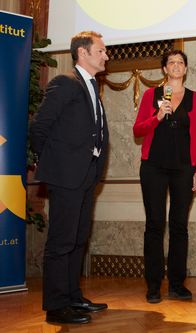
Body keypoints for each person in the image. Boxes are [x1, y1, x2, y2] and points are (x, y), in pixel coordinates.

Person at [30, 31, 109, 324]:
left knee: (78, 239)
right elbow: (39, 128)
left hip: (87, 175)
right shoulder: (65, 82)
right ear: (83, 53)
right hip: (66, 175)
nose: (106, 55)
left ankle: (73, 296)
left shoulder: (92, 87)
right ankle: (55, 305)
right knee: (61, 240)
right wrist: (53, 162)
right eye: (101, 51)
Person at [133, 49, 196, 303]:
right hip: (153, 166)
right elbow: (138, 129)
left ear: (185, 69)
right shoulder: (151, 96)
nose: (176, 66)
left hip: (184, 168)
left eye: (180, 62)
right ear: (165, 69)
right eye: (171, 62)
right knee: (154, 225)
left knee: (179, 226)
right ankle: (153, 285)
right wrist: (157, 116)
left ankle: (176, 284)